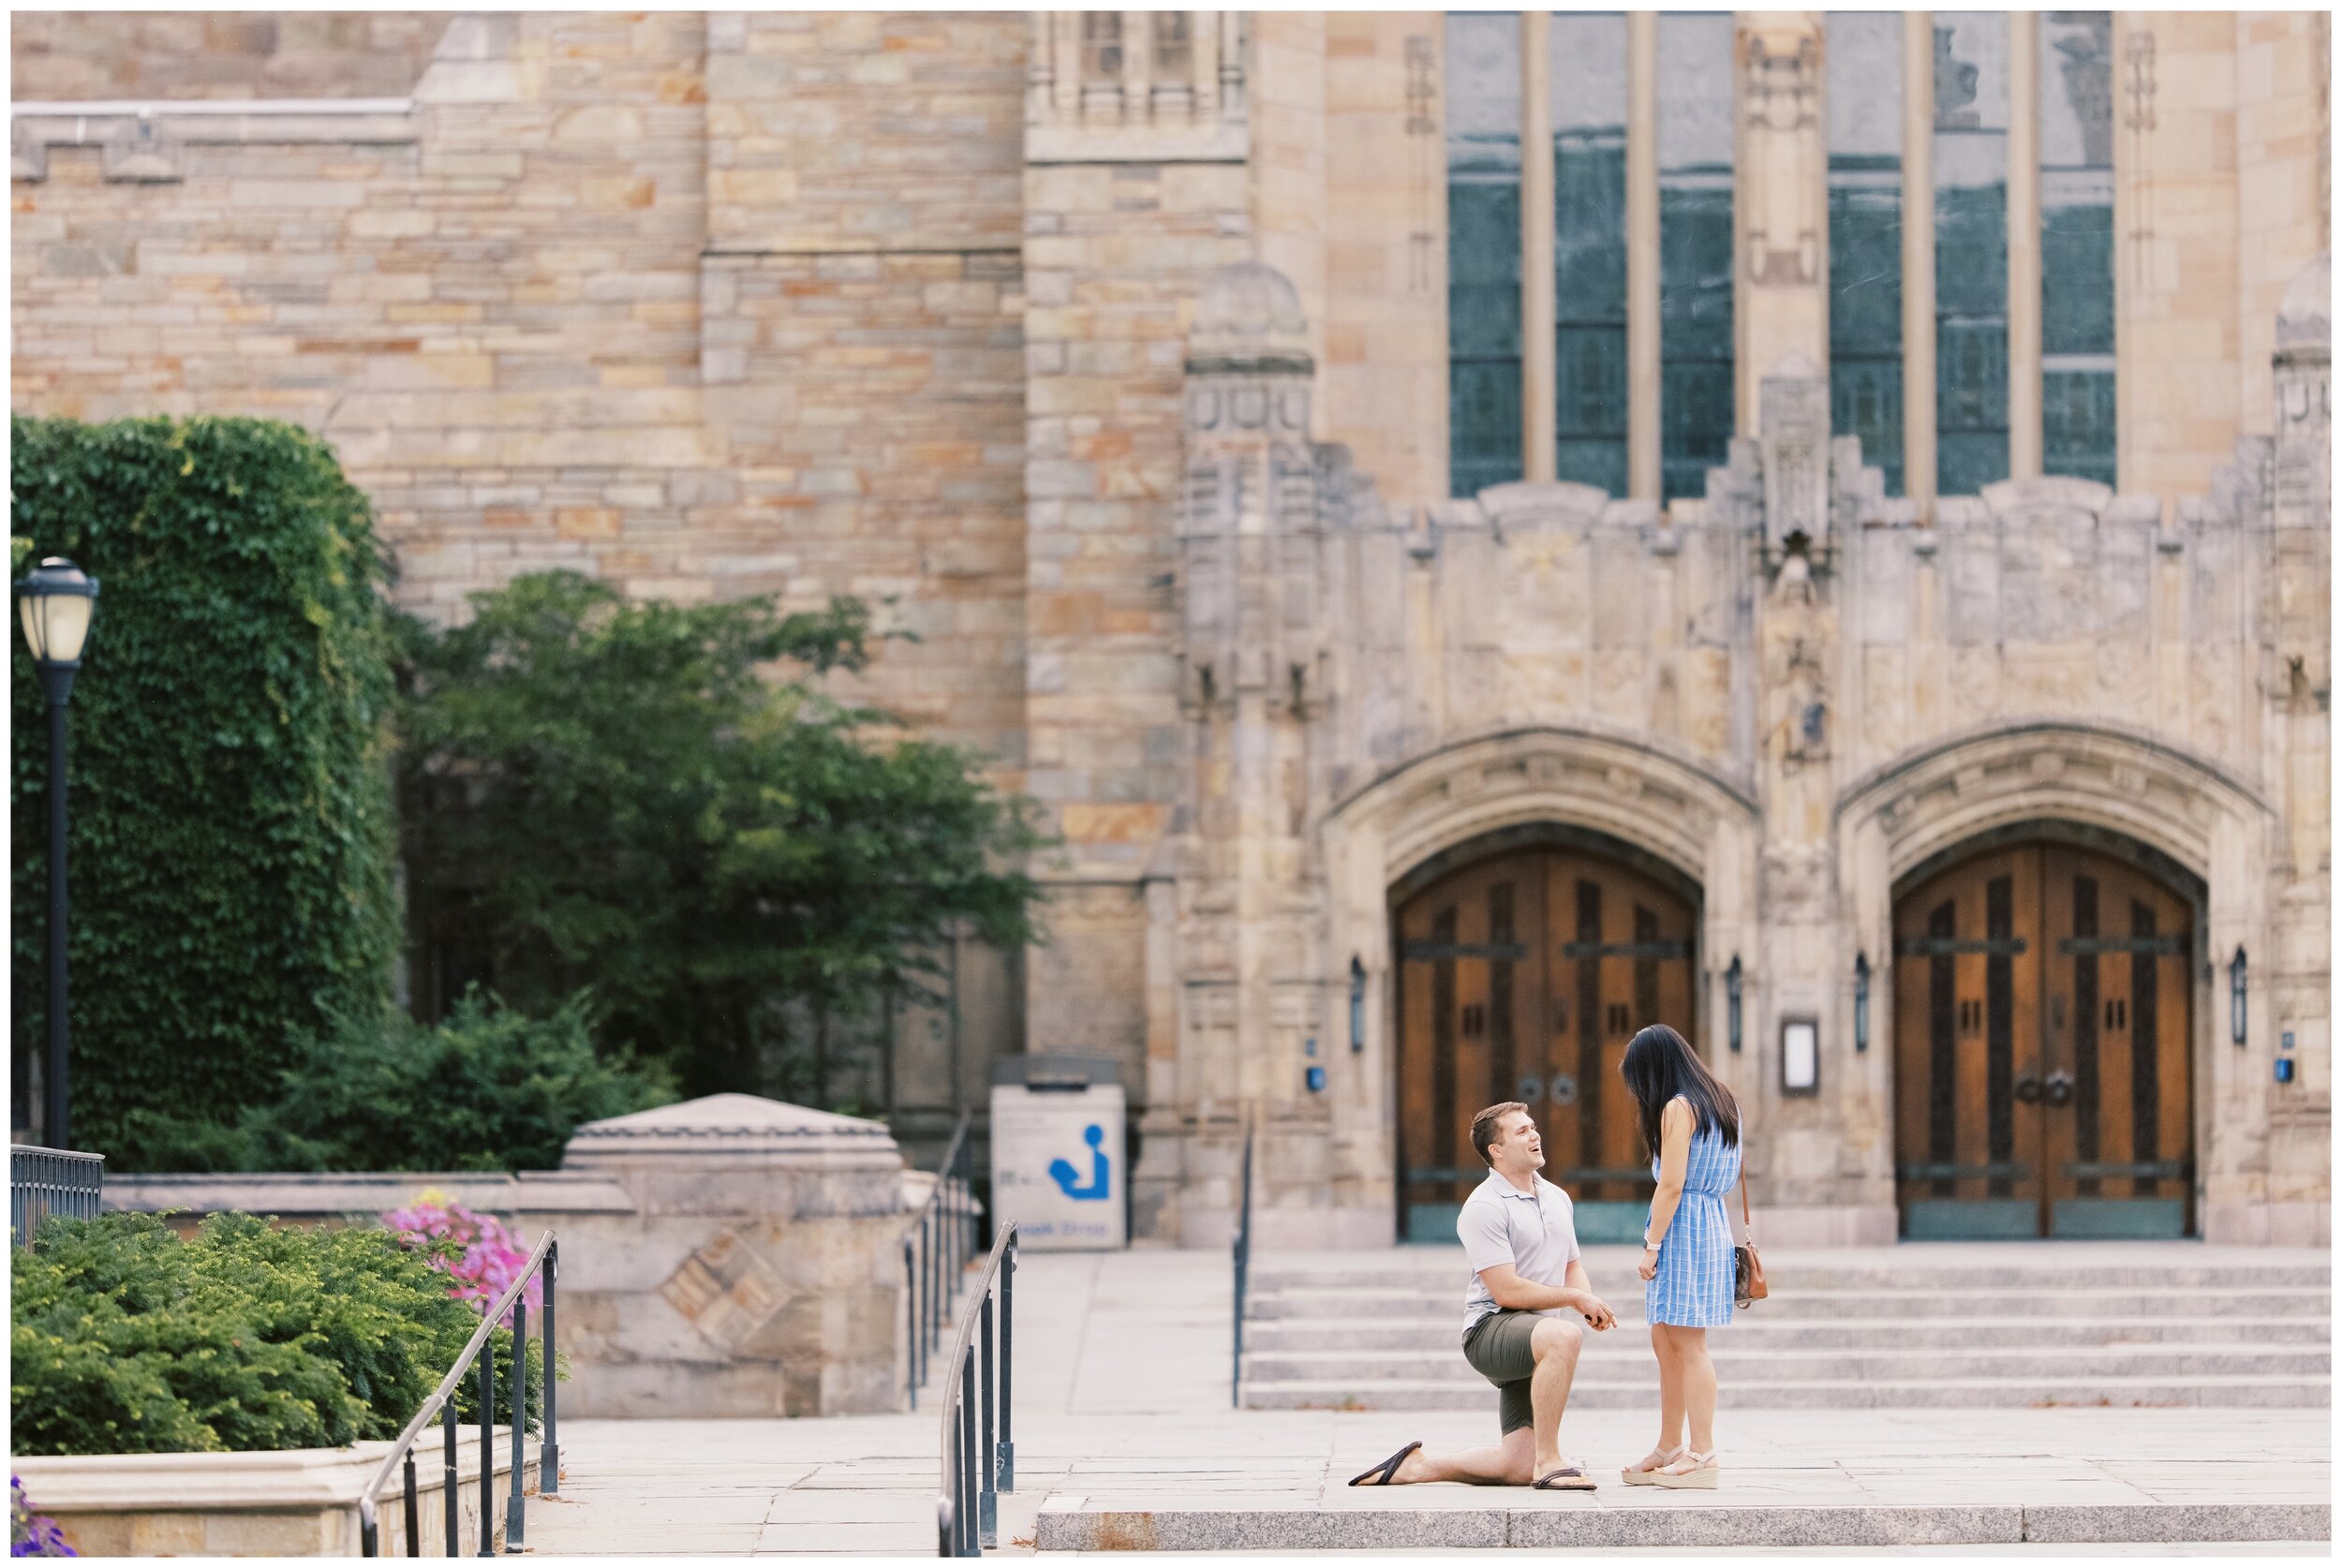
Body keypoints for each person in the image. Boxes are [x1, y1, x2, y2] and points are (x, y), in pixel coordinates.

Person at [1346, 1102, 1617, 1491]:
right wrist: (1575, 1300)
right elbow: (1505, 1290)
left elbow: (1572, 1264)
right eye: (1522, 1131)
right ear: (1497, 1150)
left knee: (1515, 1467)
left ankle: (1418, 1467)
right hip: (1490, 1330)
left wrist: (1587, 1302)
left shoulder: (1557, 1197)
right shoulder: (1483, 1206)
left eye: (1533, 1127)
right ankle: (1550, 1461)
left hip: (1535, 1333)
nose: (1535, 1134)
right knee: (1563, 1336)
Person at [1616, 1023, 1743, 1489]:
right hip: (1709, 1221)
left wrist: (1651, 1245)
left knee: (1688, 1344)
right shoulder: (1722, 1101)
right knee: (1665, 1338)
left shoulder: (1677, 1107)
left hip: (1684, 1227)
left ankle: (1703, 1452)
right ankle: (1670, 1444)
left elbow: (1670, 1184)